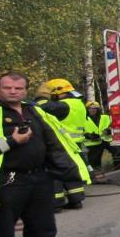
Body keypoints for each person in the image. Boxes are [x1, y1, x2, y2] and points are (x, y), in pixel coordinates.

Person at [0, 72, 90, 237]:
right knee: (2, 232)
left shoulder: (35, 110)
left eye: (18, 88)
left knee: (44, 228)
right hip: (6, 179)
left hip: (39, 177)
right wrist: (12, 141)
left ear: (26, 90)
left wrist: (66, 170)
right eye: (8, 88)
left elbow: (55, 140)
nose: (13, 91)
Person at [37, 78, 90, 209]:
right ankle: (76, 200)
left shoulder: (63, 105)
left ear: (55, 93)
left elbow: (39, 108)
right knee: (70, 172)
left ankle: (56, 203)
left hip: (61, 144)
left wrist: (41, 97)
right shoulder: (77, 103)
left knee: (54, 172)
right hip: (74, 143)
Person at [83, 100, 120, 183]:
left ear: (98, 109)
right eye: (90, 109)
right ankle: (97, 178)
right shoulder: (83, 119)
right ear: (87, 109)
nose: (93, 110)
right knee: (94, 160)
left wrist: (109, 130)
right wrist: (88, 135)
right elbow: (80, 130)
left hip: (107, 141)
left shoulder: (105, 117)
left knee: (119, 153)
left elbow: (113, 125)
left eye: (95, 108)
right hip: (93, 143)